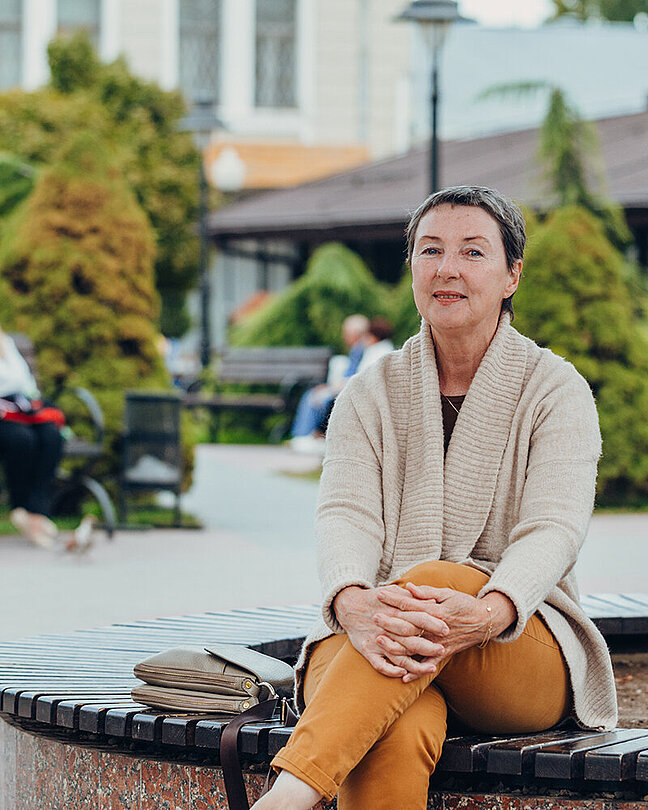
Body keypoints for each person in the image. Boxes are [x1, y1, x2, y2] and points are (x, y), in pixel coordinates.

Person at [253, 186, 617, 810]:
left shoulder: (557, 390)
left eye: (473, 252)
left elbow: (553, 529)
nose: (447, 268)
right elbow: (346, 516)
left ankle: (287, 797)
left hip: (512, 641)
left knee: (433, 578)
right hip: (376, 633)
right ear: (413, 269)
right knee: (396, 724)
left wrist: (492, 610)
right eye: (431, 251)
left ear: (511, 276)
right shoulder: (369, 395)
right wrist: (350, 601)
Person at [0, 329, 64, 549]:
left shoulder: (6, 342)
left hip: (21, 407)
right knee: (22, 440)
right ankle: (19, 506)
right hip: (3, 415)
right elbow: (12, 381)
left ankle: (36, 511)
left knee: (51, 436)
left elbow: (23, 380)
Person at [290, 314, 369, 453]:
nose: (344, 337)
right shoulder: (357, 349)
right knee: (313, 394)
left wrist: (331, 387)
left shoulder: (361, 349)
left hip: (348, 388)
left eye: (346, 333)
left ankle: (304, 435)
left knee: (315, 396)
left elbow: (355, 376)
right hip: (344, 386)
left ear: (355, 334)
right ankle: (304, 435)